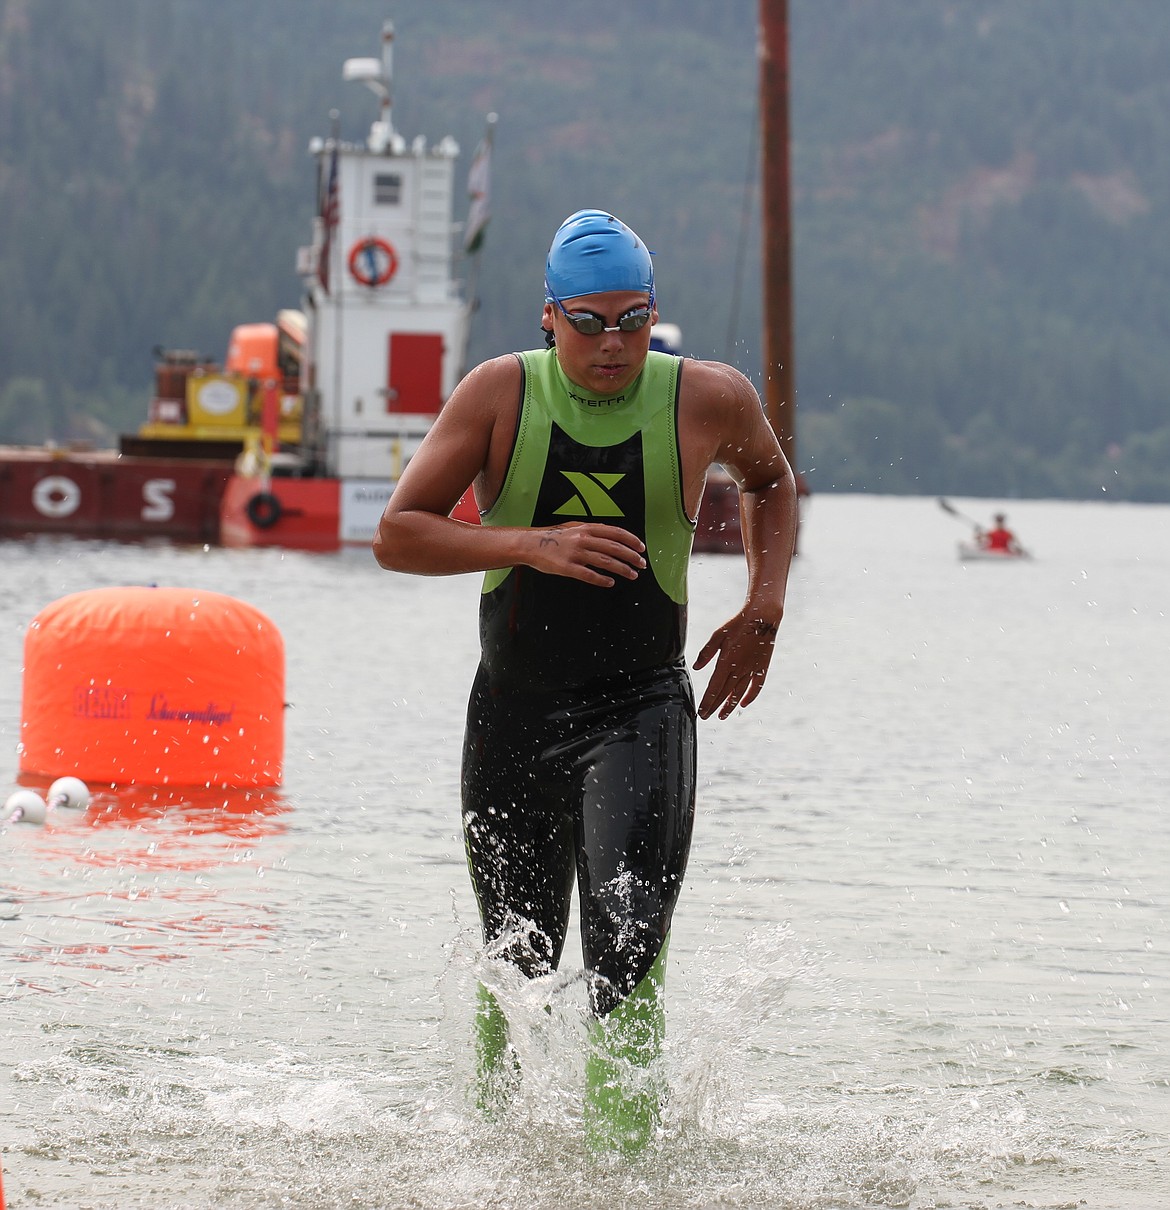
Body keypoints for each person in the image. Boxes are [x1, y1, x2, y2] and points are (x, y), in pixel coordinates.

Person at [372, 209, 799, 1155]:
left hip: (640, 708)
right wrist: (534, 542)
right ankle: (488, 1153)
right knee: (517, 953)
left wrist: (762, 607)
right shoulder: (497, 396)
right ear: (548, 318)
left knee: (629, 940)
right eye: (589, 321)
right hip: (515, 711)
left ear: (655, 317)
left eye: (633, 321)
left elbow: (771, 482)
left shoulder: (708, 397)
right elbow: (397, 535)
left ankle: (623, 1168)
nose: (612, 345)